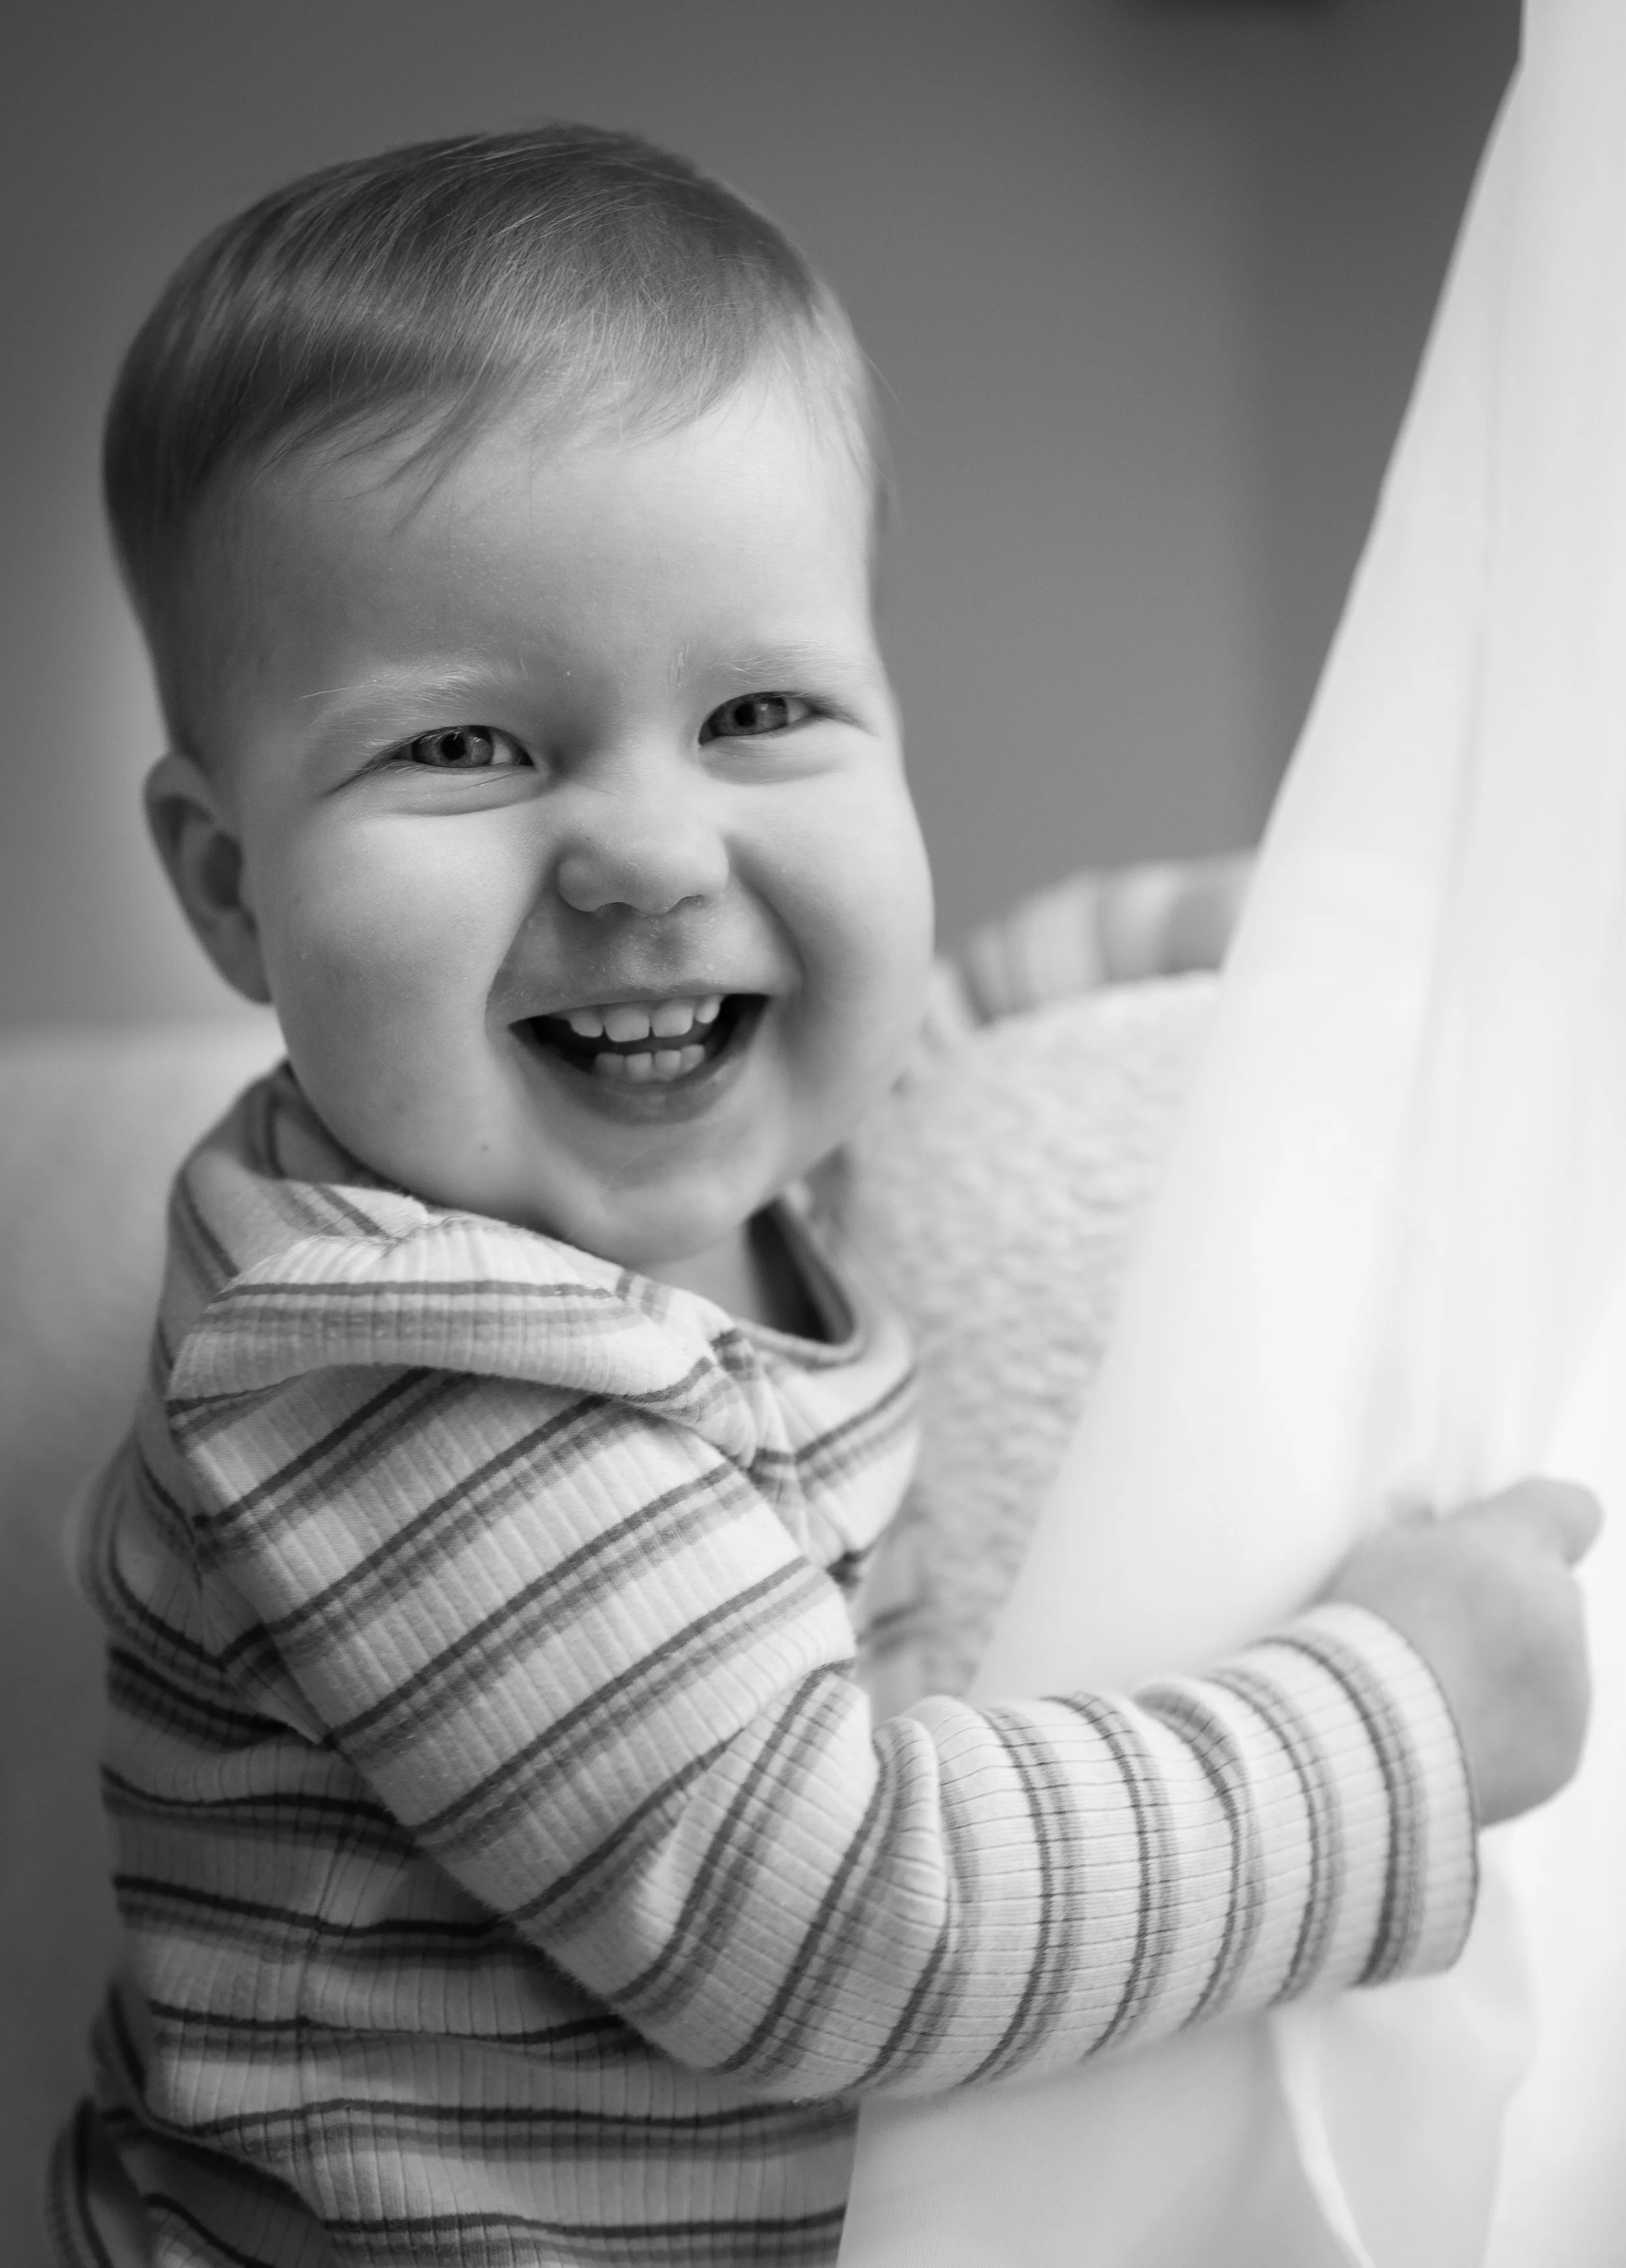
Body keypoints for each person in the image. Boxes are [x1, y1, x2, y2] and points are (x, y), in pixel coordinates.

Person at [47, 125, 1597, 2268]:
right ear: (231, 885)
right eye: (465, 750)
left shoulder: (690, 1166)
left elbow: (920, 1046)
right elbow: (839, 1926)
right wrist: (1391, 1730)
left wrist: (1227, 940)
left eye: (756, 710)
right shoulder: (386, 1364)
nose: (644, 856)